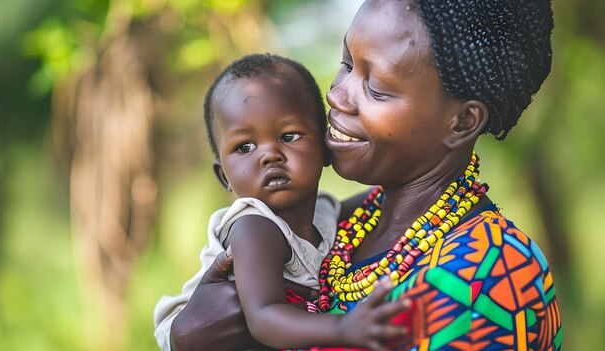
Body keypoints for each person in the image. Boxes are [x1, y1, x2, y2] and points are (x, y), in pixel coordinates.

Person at [156, 0, 563, 350]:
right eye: (347, 64)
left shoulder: (490, 270)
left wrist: (193, 339)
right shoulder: (339, 225)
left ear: (461, 122)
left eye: (377, 87)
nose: (335, 94)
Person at [154, 53, 411, 351]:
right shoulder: (254, 228)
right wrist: (344, 326)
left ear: (326, 148)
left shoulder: (323, 212)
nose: (269, 155)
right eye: (245, 146)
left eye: (289, 136)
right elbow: (263, 318)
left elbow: (382, 197)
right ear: (223, 175)